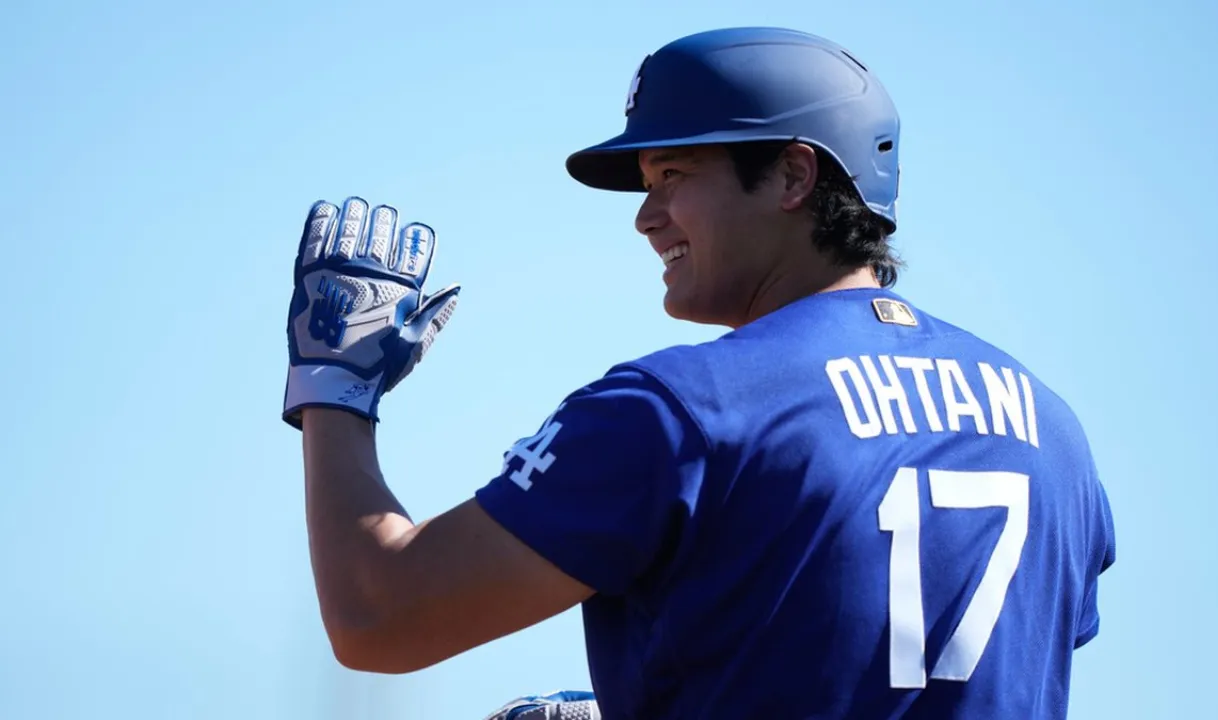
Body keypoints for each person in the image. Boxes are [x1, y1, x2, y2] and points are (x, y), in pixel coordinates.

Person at [280, 26, 1116, 720]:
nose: (646, 218)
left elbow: (379, 614)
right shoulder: (1051, 428)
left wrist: (333, 388)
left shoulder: (683, 410)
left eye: (674, 176)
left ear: (794, 174)